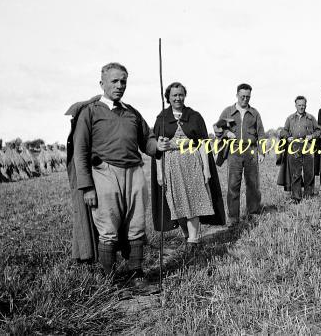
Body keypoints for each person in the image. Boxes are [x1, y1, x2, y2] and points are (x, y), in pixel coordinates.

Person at [72, 62, 168, 277]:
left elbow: (147, 141)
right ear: (102, 83)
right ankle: (110, 279)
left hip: (134, 173)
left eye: (123, 81)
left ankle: (136, 273)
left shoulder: (132, 113)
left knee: (137, 224)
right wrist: (87, 187)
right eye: (114, 81)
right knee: (108, 227)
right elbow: (80, 152)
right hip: (105, 173)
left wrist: (157, 147)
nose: (119, 85)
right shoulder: (90, 112)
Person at [150, 82, 226, 245]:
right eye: (174, 95)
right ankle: (188, 236)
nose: (178, 98)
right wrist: (159, 173)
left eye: (180, 94)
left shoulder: (194, 116)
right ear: (168, 97)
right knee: (178, 205)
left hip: (193, 165)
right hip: (172, 167)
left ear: (185, 96)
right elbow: (157, 150)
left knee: (193, 202)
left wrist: (206, 168)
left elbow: (203, 144)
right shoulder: (162, 118)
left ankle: (193, 241)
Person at [215, 83, 266, 226]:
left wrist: (262, 152)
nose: (245, 99)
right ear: (237, 95)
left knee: (253, 185)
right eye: (242, 96)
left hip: (251, 151)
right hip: (234, 151)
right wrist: (226, 133)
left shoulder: (255, 113)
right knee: (233, 185)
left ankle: (253, 213)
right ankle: (233, 218)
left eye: (248, 97)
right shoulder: (228, 111)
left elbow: (261, 134)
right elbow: (217, 129)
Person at [282, 96, 321, 202]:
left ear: (306, 105)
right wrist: (287, 137)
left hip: (308, 146)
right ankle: (296, 197)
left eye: (303, 105)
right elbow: (284, 131)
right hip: (294, 146)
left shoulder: (311, 118)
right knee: (295, 173)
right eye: (299, 105)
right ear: (295, 105)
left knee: (309, 172)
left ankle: (309, 195)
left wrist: (312, 136)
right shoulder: (290, 118)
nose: (301, 107)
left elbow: (318, 131)